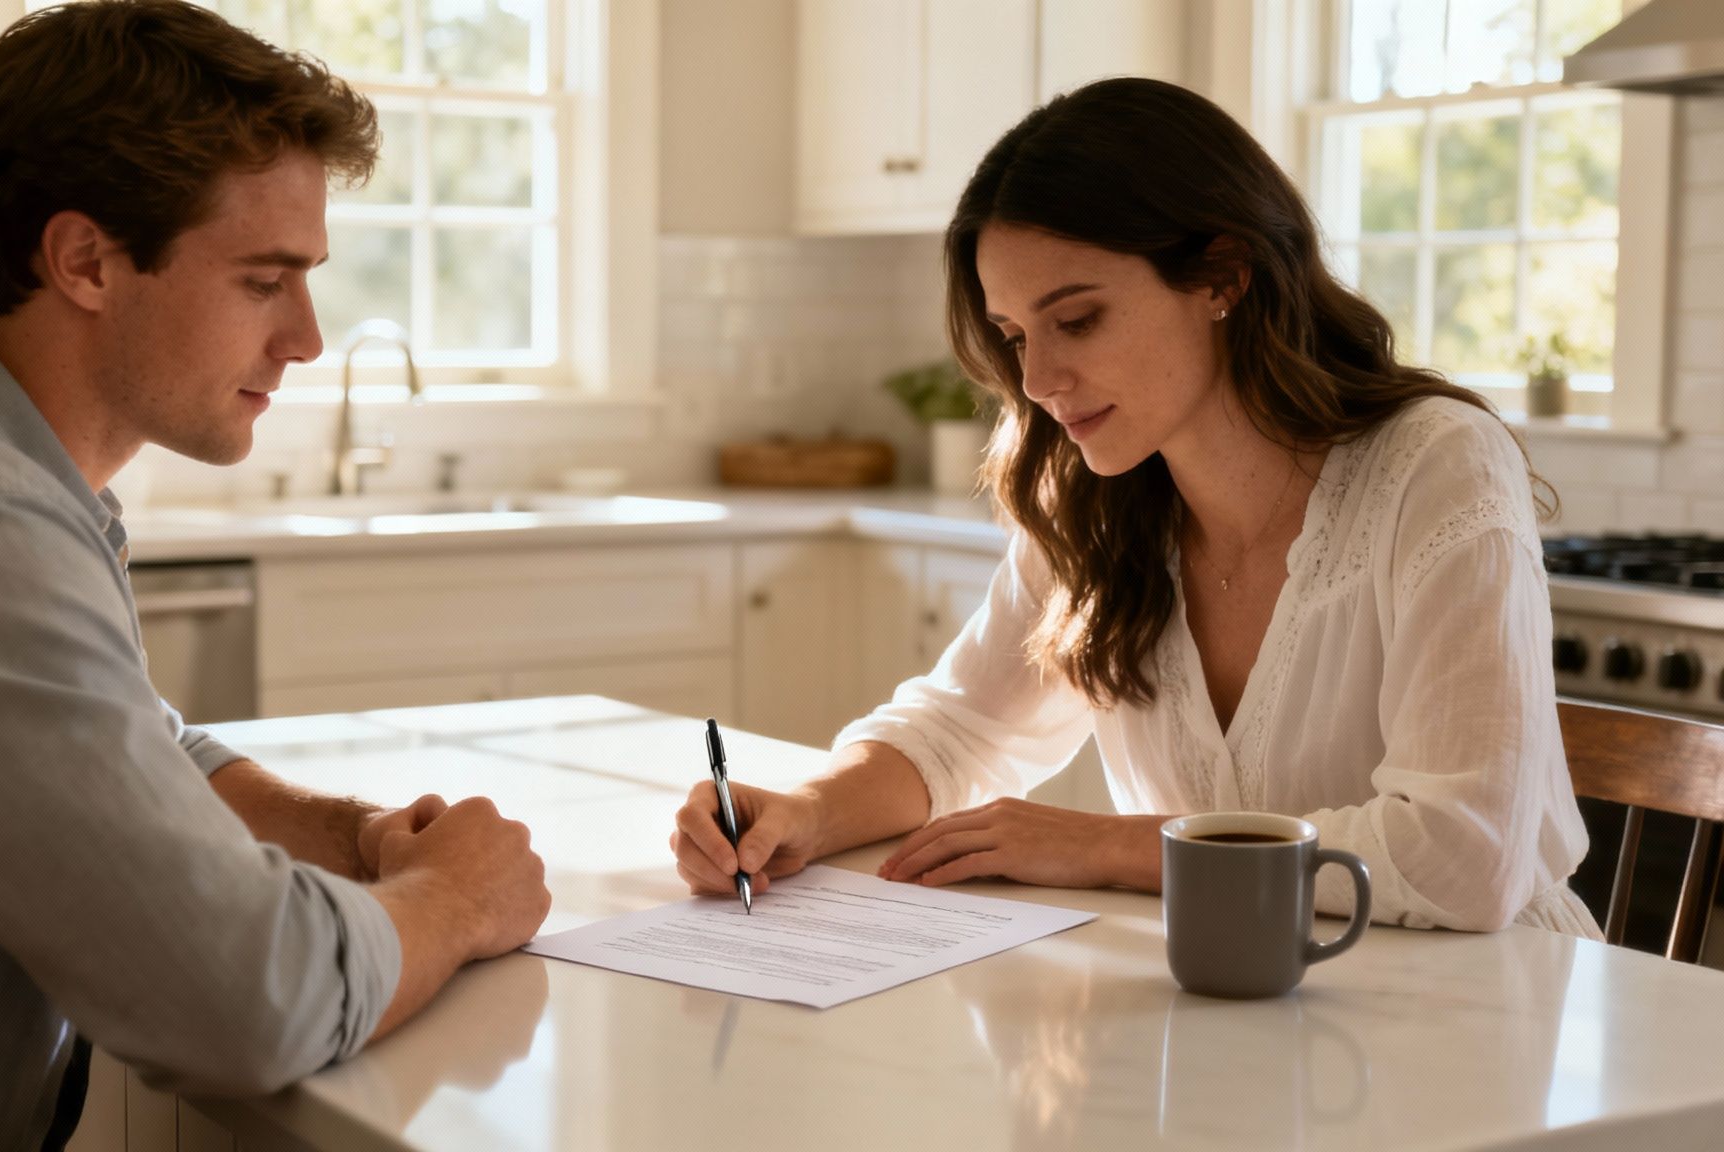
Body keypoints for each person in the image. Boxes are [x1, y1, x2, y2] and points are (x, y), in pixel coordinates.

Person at [0, 3, 549, 1149]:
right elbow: (242, 1005)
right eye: (262, 280)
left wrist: (358, 836)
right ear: (84, 261)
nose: (307, 338)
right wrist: (454, 899)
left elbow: (125, 743)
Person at [673, 77, 1595, 938]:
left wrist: (1108, 844)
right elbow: (961, 730)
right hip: (1235, 1009)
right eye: (1014, 336)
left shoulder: (1433, 464)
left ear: (1224, 277)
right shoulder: (1093, 499)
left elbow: (1464, 856)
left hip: (1489, 1015)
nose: (1036, 380)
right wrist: (806, 808)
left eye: (1077, 320)